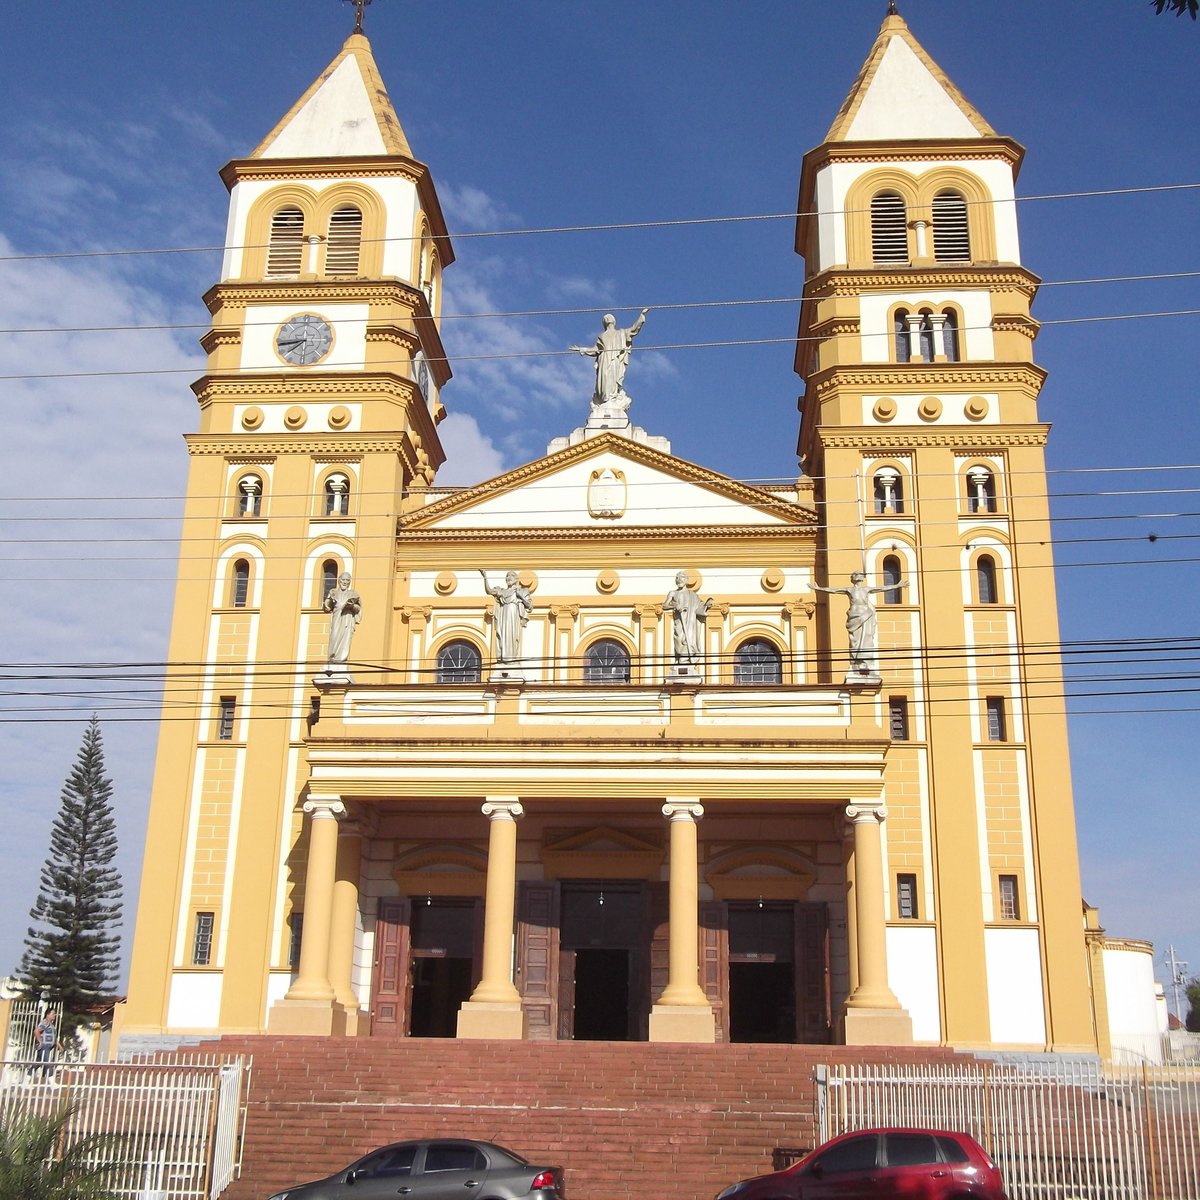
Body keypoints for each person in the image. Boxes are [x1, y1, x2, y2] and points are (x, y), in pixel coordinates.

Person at [813, 571, 907, 674]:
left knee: (866, 637)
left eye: (859, 574)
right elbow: (833, 590)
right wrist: (819, 588)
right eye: (855, 574)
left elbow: (882, 588)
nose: (857, 575)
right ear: (852, 578)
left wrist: (897, 585)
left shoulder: (866, 589)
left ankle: (865, 660)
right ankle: (857, 661)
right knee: (856, 640)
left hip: (866, 615)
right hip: (854, 616)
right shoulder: (849, 590)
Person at [570, 309, 649, 410]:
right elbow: (596, 350)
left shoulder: (621, 333)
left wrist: (641, 316)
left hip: (615, 361)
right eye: (606, 318)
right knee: (603, 380)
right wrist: (582, 349)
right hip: (603, 360)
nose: (608, 319)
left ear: (613, 321)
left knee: (612, 379)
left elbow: (634, 329)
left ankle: (611, 400)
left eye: (609, 317)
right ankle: (605, 401)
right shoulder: (602, 336)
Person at [479, 569, 532, 665]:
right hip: (503, 615)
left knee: (512, 636)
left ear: (516, 579)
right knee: (502, 635)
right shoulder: (502, 591)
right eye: (507, 576)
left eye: (511, 576)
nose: (509, 578)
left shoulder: (521, 591)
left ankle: (511, 659)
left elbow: (529, 605)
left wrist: (521, 596)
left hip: (513, 615)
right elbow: (489, 591)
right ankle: (503, 658)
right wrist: (485, 577)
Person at [663, 571, 713, 666]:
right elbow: (664, 605)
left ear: (686, 580)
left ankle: (684, 660)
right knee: (679, 640)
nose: (679, 580)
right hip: (679, 622)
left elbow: (698, 608)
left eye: (681, 577)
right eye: (677, 578)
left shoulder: (693, 595)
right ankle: (681, 660)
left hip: (690, 622)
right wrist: (674, 606)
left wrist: (706, 606)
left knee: (689, 640)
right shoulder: (673, 593)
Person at [324, 572, 363, 666]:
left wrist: (352, 606)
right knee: (334, 636)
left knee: (345, 639)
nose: (345, 582)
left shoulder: (353, 593)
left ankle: (341, 659)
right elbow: (327, 605)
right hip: (336, 618)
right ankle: (332, 657)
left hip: (347, 619)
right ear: (339, 580)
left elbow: (358, 609)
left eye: (347, 580)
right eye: (343, 579)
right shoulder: (333, 592)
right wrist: (326, 606)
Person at [34, 1009, 58, 1078]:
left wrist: (59, 1046)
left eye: (55, 1014)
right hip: (44, 1046)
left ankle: (27, 1080)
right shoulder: (45, 1022)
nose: (54, 1015)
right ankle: (52, 1082)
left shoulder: (51, 1025)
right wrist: (40, 1041)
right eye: (53, 1014)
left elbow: (54, 1037)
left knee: (36, 1064)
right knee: (47, 1063)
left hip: (48, 1047)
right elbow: (36, 1031)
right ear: (47, 1014)